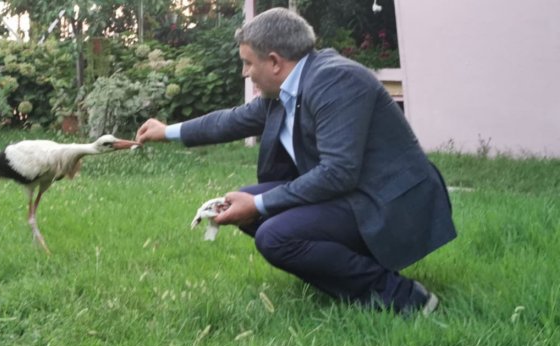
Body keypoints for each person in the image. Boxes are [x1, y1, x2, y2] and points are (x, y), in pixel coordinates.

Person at [135, 7, 456, 315]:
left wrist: (259, 204)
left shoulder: (336, 81)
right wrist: (167, 132)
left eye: (247, 63)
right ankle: (348, 275)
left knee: (273, 233)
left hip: (388, 202)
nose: (245, 73)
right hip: (354, 192)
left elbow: (338, 173)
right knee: (246, 202)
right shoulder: (287, 89)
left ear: (274, 62)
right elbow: (231, 121)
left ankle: (405, 298)